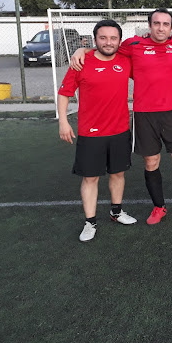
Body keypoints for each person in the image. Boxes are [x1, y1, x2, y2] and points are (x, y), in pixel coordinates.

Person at [71, 8, 172, 225]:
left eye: (165, 24)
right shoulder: (133, 45)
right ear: (150, 26)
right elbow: (107, 47)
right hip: (144, 114)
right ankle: (158, 207)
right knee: (151, 161)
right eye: (156, 23)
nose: (160, 27)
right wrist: (82, 49)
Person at [58, 19, 137, 242]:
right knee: (91, 178)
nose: (108, 42)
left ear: (119, 41)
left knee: (118, 173)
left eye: (113, 38)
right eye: (103, 38)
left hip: (120, 129)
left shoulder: (125, 60)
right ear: (95, 40)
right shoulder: (81, 62)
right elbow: (65, 93)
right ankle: (90, 222)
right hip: (90, 132)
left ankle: (116, 212)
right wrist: (63, 121)